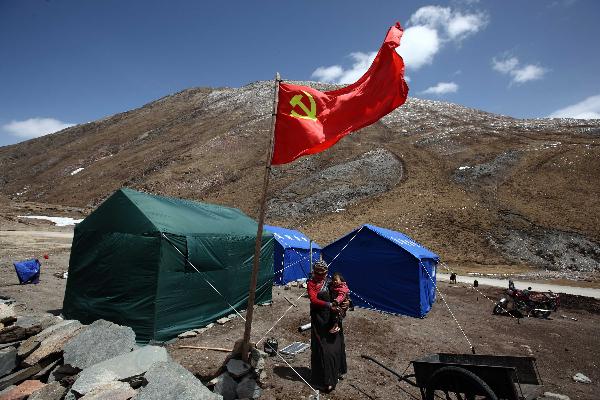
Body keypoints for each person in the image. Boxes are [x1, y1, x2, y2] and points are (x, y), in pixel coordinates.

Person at [307, 261, 347, 392]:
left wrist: (347, 303)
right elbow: (313, 300)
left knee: (337, 346)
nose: (320, 276)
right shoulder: (311, 284)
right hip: (319, 320)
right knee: (323, 349)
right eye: (317, 273)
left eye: (322, 273)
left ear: (326, 273)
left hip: (332, 318)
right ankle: (324, 380)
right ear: (314, 272)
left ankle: (337, 372)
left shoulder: (330, 282)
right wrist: (329, 305)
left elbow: (342, 292)